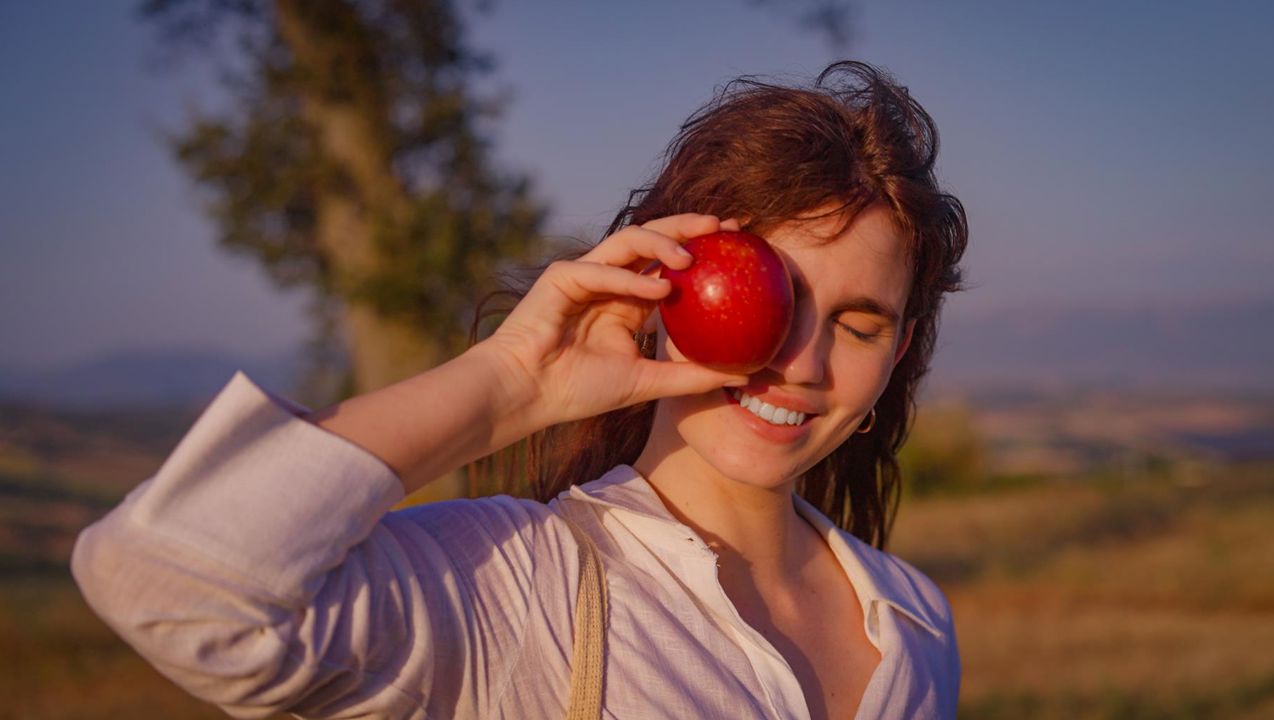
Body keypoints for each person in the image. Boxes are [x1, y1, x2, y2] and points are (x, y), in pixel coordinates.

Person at [72, 60, 968, 719]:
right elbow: (165, 580)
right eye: (775, 298)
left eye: (858, 325)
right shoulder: (513, 589)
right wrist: (508, 386)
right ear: (657, 288)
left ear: (899, 355)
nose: (803, 364)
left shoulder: (916, 625)